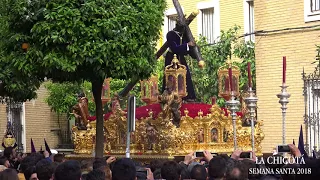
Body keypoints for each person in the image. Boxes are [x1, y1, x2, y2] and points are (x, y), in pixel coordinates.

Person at [163, 21, 197, 102]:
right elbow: (175, 48)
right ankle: (170, 97)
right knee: (171, 77)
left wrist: (194, 49)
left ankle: (188, 97)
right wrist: (187, 45)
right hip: (171, 58)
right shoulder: (170, 34)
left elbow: (187, 51)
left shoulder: (184, 35)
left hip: (181, 58)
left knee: (185, 75)